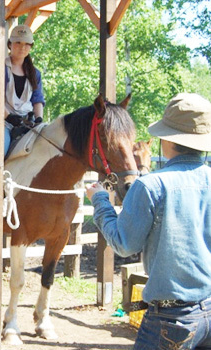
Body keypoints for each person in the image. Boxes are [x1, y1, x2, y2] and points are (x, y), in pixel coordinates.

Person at [86, 92, 211, 349]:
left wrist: (100, 201)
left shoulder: (151, 185)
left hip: (170, 318)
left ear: (165, 139)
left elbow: (124, 244)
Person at [4, 24, 45, 156]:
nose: (22, 47)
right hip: (3, 122)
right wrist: (9, 117)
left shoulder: (35, 73)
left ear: (31, 46)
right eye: (18, 42)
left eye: (27, 44)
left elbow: (37, 100)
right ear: (10, 44)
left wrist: (39, 119)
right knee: (1, 149)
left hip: (28, 122)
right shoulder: (0, 68)